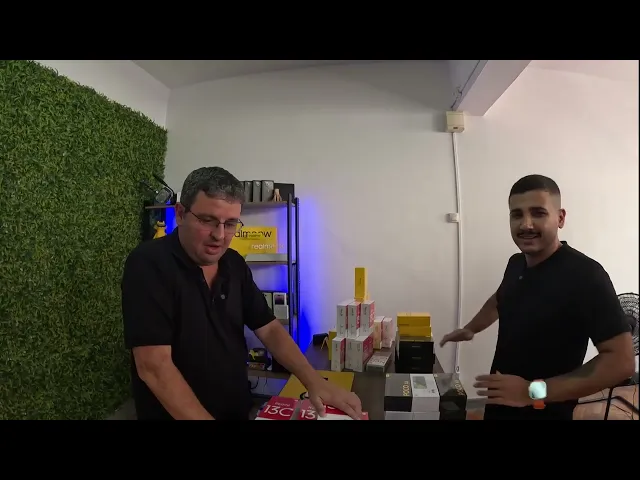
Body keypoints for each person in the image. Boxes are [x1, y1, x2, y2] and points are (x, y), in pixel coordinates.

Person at [121, 166, 362, 420]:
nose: (219, 235)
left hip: (236, 409)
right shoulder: (148, 264)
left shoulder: (233, 263)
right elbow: (154, 367)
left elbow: (269, 328)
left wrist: (315, 381)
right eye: (207, 220)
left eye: (230, 223)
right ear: (180, 214)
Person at [440, 174, 635, 420]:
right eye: (517, 214)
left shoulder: (585, 275)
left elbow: (621, 362)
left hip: (544, 412)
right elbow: (500, 299)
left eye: (538, 213)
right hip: (501, 401)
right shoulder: (516, 263)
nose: (526, 224)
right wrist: (471, 328)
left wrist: (531, 392)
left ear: (560, 218)